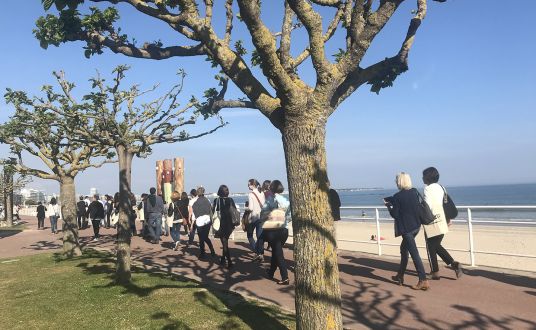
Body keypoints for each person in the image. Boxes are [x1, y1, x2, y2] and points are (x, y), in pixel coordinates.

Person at [384, 172, 430, 291]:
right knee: (403, 250)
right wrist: (392, 201)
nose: (395, 182)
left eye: (396, 180)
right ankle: (400, 275)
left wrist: (389, 206)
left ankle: (423, 280)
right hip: (416, 227)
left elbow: (395, 214)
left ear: (399, 182)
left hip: (407, 229)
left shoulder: (398, 197)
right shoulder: (414, 192)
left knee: (414, 254)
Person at [422, 167, 463, 279]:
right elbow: (444, 204)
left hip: (432, 221)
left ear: (428, 177)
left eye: (423, 176)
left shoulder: (427, 189)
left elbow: (427, 206)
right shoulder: (442, 187)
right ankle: (452, 265)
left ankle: (437, 271)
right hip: (443, 220)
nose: (422, 178)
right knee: (435, 245)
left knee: (431, 245)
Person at [260, 180, 291, 285]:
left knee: (278, 253)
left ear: (271, 188)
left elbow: (263, 214)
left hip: (273, 230)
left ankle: (285, 277)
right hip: (284, 229)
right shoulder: (286, 200)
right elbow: (289, 216)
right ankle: (271, 272)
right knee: (276, 252)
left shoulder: (270, 199)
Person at [213, 185, 238, 268]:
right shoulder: (231, 200)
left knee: (224, 243)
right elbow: (234, 210)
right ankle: (223, 259)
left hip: (221, 223)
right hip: (230, 224)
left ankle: (229, 261)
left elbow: (213, 211)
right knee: (225, 241)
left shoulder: (217, 200)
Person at [191, 186, 216, 259]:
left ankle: (202, 253)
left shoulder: (195, 202)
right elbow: (210, 209)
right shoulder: (207, 200)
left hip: (199, 221)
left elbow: (194, 214)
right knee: (205, 237)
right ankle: (211, 250)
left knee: (201, 238)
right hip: (207, 220)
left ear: (197, 193)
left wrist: (192, 223)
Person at [246, 179, 266, 261]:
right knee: (259, 236)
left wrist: (245, 208)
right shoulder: (262, 192)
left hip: (253, 218)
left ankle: (257, 252)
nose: (248, 186)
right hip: (261, 217)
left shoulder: (251, 194)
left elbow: (250, 208)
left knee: (250, 235)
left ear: (252, 185)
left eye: (248, 184)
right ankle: (261, 254)